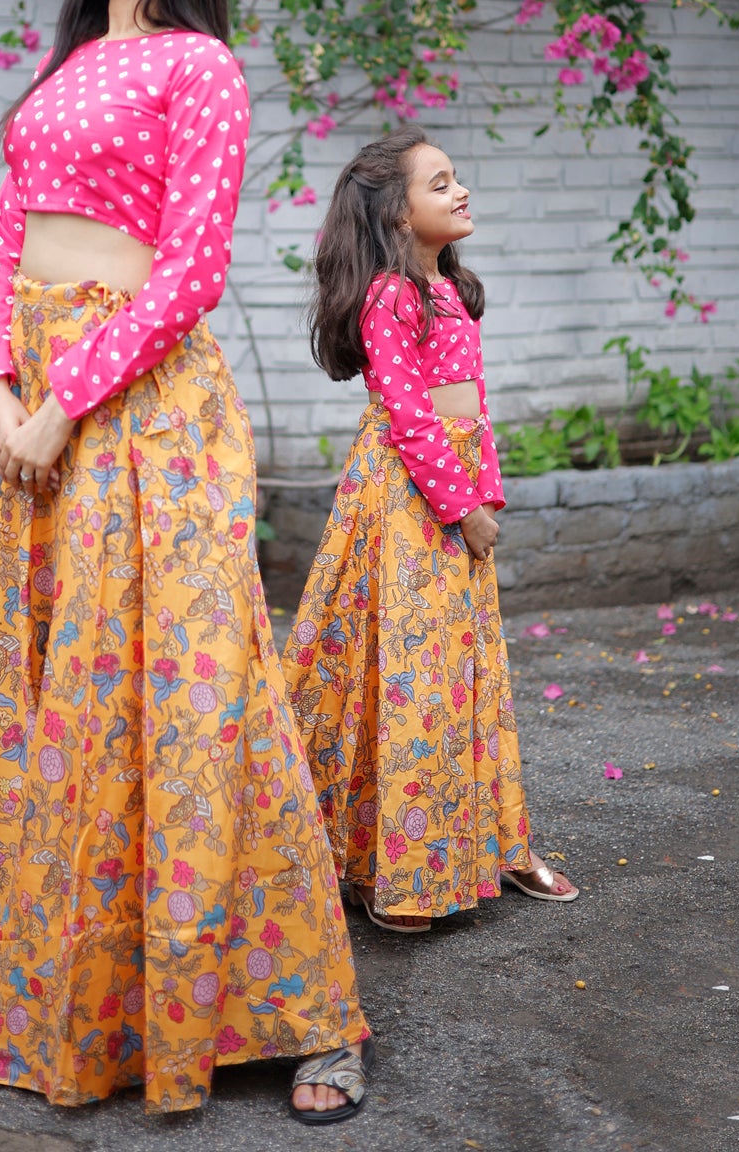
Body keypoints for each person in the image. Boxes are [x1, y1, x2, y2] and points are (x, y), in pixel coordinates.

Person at [0, 0, 374, 1122]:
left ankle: (301, 1010)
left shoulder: (198, 67)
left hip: (144, 413)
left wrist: (62, 401)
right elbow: (3, 244)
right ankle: (44, 984)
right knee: (40, 692)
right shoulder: (71, 71)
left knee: (189, 697)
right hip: (35, 414)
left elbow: (191, 271)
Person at [280, 127, 578, 932]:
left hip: (453, 496)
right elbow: (411, 420)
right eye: (440, 184)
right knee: (406, 678)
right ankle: (391, 868)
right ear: (399, 216)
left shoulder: (449, 287)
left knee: (465, 674)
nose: (461, 192)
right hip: (409, 509)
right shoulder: (388, 295)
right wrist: (463, 509)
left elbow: (469, 413)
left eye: (457, 179)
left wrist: (488, 491)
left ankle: (492, 842)